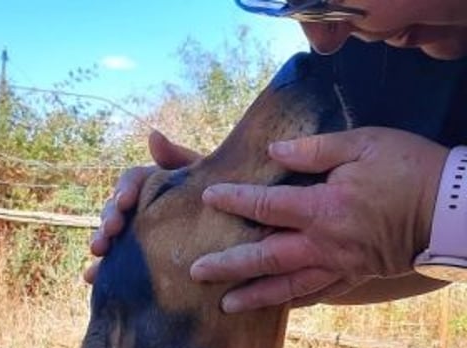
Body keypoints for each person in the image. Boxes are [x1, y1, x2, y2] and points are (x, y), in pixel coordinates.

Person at [87, 0, 467, 314]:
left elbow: (432, 216)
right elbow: (422, 253)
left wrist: (442, 198)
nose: (321, 39)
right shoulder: (377, 55)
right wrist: (272, 232)